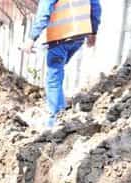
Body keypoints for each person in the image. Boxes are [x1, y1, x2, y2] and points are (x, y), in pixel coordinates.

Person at [21, 0, 102, 129]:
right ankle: (61, 108)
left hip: (60, 38)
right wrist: (93, 32)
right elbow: (96, 8)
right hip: (78, 38)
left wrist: (31, 39)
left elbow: (44, 13)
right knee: (58, 72)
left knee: (53, 77)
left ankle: (56, 117)